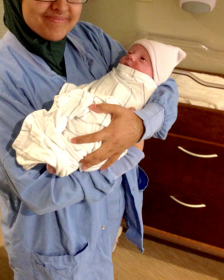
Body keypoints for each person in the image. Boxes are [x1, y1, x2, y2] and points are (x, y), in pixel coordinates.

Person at [0, 0, 179, 280]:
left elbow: (159, 84)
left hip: (98, 218)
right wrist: (127, 152)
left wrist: (138, 125)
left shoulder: (88, 38)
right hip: (52, 235)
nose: (62, 5)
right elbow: (39, 191)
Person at [12, 39, 186, 177]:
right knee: (69, 123)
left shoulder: (93, 37)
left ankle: (64, 158)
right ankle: (55, 151)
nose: (131, 57)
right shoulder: (2, 77)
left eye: (142, 59)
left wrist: (141, 123)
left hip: (107, 119)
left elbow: (168, 86)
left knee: (89, 138)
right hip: (90, 106)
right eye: (130, 52)